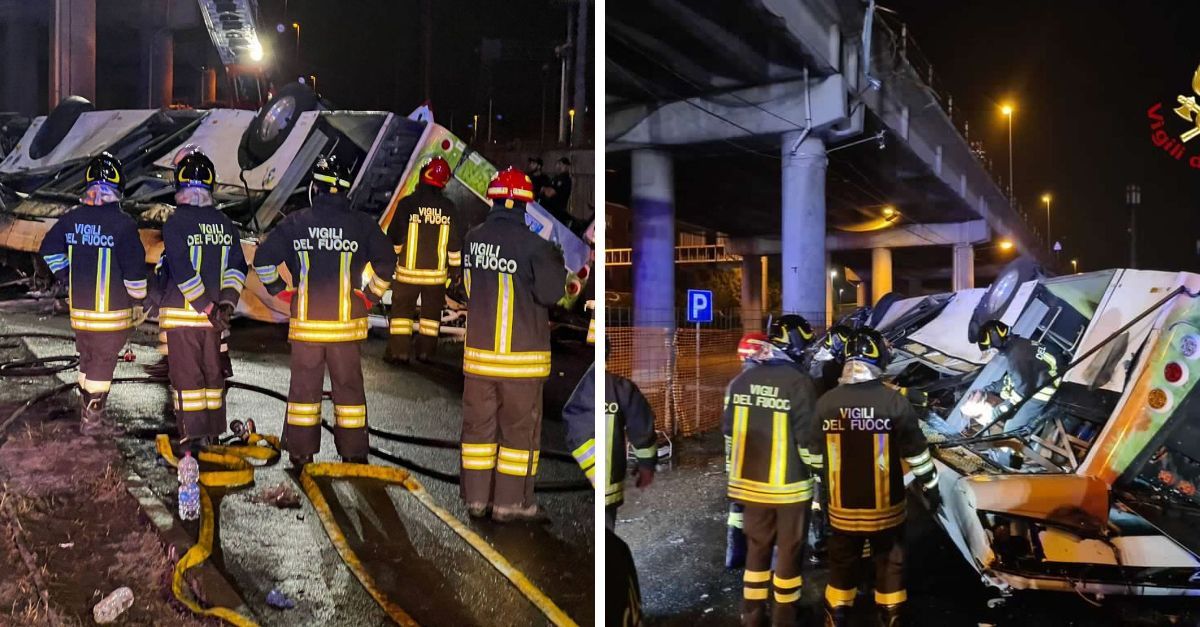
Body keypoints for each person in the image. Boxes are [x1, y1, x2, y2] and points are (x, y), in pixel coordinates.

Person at [253, 157, 395, 466]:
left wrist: (280, 289)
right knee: (349, 392)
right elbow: (387, 263)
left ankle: (302, 452)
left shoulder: (295, 222)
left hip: (307, 327)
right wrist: (369, 297)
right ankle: (354, 453)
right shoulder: (362, 225)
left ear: (314, 188)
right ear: (346, 191)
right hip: (346, 328)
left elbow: (263, 260)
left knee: (304, 391)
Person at [803, 328, 941, 627]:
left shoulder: (827, 402)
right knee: (890, 563)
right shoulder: (894, 402)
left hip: (841, 509)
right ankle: (891, 617)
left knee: (841, 564)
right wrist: (931, 487)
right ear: (877, 356)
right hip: (886, 510)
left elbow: (814, 456)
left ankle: (836, 616)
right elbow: (917, 454)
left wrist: (822, 486)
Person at [459, 166, 566, 522]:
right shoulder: (538, 247)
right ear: (526, 204)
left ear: (493, 199)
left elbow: (469, 288)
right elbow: (552, 294)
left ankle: (476, 500)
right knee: (519, 434)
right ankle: (510, 504)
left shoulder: (473, 239)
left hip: (479, 358)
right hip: (522, 362)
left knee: (478, 431)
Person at [39, 152, 147, 434]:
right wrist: (139, 301)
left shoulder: (71, 220)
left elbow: (49, 249)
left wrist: (66, 275)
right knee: (102, 363)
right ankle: (93, 422)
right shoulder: (123, 225)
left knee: (87, 361)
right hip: (110, 315)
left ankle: (88, 411)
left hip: (81, 313)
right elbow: (134, 270)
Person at [722, 322, 817, 627]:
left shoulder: (740, 382)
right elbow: (808, 441)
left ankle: (751, 614)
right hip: (789, 489)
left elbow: (728, 433)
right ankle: (784, 616)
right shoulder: (799, 383)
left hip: (749, 487)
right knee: (788, 553)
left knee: (757, 551)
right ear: (794, 348)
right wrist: (822, 474)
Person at [157, 150, 247, 451]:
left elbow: (182, 271)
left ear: (179, 187)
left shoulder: (175, 224)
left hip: (184, 318)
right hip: (215, 323)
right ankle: (213, 433)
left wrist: (206, 307)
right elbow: (237, 267)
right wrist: (226, 305)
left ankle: (193, 438)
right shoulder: (225, 224)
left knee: (188, 379)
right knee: (213, 376)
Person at [384, 156, 461, 364]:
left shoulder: (408, 204)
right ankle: (426, 352)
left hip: (407, 274)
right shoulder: (449, 208)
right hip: (436, 278)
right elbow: (455, 244)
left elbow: (395, 238)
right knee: (430, 317)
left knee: (401, 314)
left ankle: (399, 352)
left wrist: (391, 258)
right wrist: (455, 270)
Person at [960, 319, 1059, 437]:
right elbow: (1013, 378)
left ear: (997, 342)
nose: (994, 352)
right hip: (1042, 376)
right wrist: (987, 390)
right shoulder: (1018, 345)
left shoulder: (1016, 357)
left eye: (992, 349)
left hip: (1043, 390)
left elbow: (1020, 394)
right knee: (1007, 395)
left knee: (1010, 429)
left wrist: (996, 414)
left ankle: (1017, 450)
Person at [727, 330, 769, 570]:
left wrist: (729, 466)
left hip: (739, 461)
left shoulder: (735, 384)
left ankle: (735, 553)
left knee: (738, 510)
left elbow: (728, 430)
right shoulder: (767, 383)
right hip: (762, 461)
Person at [539, 157, 573, 227]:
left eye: (562, 165)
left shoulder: (565, 179)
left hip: (556, 212)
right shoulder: (555, 178)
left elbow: (549, 193)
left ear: (567, 167)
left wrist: (545, 189)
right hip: (547, 210)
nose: (559, 166)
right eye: (559, 164)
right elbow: (542, 189)